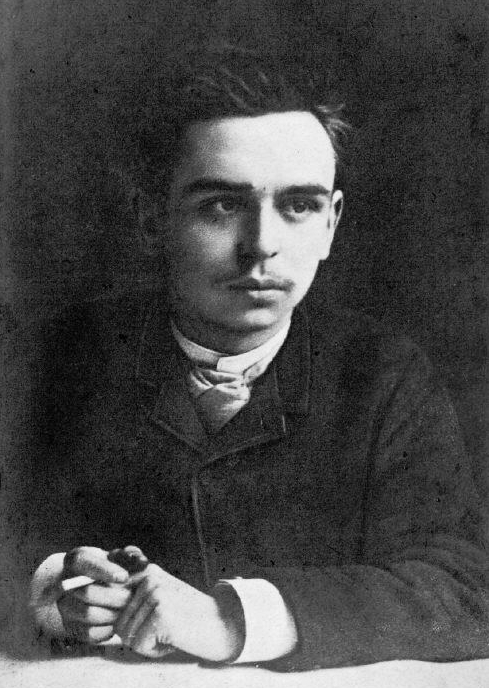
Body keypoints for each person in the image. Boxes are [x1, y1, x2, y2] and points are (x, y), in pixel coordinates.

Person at [26, 46, 489, 670]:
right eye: (222, 205)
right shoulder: (50, 360)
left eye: (299, 206)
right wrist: (50, 590)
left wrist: (232, 619)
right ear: (151, 217)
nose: (261, 246)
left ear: (331, 224)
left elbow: (465, 586)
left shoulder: (384, 376)